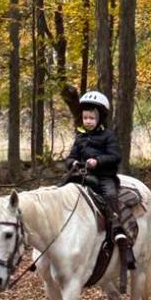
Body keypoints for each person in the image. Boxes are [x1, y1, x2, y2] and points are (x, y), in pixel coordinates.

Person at [65, 90, 127, 244]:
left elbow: (115, 156)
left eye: (92, 118)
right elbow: (71, 157)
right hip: (82, 175)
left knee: (110, 194)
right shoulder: (80, 138)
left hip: (104, 176)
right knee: (61, 190)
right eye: (85, 118)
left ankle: (117, 226)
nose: (88, 121)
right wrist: (72, 162)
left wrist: (97, 161)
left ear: (99, 119)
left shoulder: (108, 136)